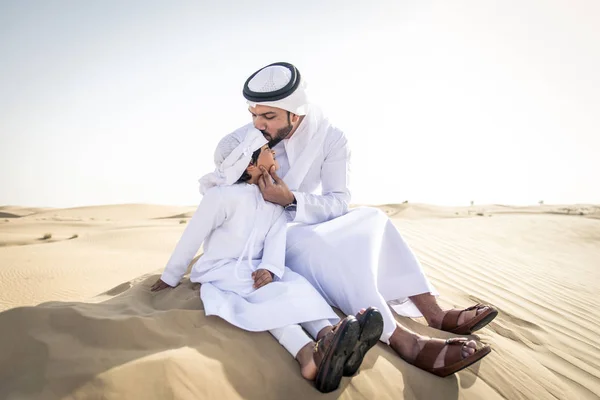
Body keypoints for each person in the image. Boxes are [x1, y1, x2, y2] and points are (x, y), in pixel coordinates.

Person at [213, 61, 497, 377]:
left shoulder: (330, 136)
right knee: (323, 247)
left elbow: (338, 200)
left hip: (311, 214)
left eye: (268, 116)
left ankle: (434, 313)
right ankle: (407, 341)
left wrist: (292, 199)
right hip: (270, 233)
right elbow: (227, 196)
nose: (259, 124)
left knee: (372, 218)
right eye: (253, 114)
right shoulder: (240, 141)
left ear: (295, 113)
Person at [150, 128, 384, 393]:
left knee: (297, 289)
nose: (273, 152)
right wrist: (170, 277)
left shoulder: (272, 198)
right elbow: (191, 237)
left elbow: (276, 237)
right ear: (250, 163)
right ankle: (307, 354)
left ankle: (331, 335)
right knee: (267, 304)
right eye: (266, 150)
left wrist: (270, 268)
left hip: (260, 267)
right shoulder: (221, 196)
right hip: (223, 269)